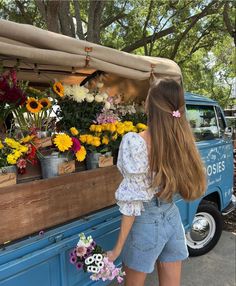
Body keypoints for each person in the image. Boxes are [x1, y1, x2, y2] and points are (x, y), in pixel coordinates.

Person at [107, 78, 206, 286]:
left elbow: (133, 203)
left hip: (146, 222)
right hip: (172, 218)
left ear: (148, 104)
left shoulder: (136, 142)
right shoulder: (181, 140)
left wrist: (117, 249)